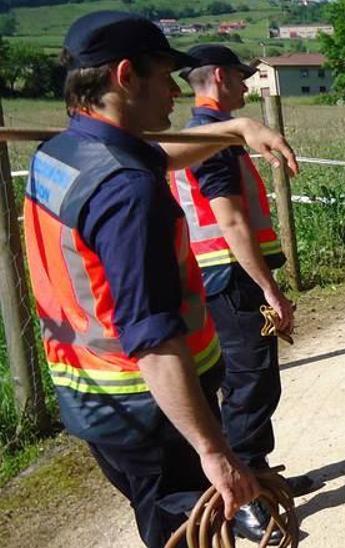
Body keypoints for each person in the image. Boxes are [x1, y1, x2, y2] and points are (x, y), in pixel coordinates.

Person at [23, 12, 297, 548]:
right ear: (126, 76)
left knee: (160, 523)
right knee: (185, 534)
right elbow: (153, 338)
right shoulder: (127, 191)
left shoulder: (63, 154)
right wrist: (214, 449)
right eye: (165, 76)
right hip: (152, 410)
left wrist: (236, 129)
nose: (176, 95)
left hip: (91, 396)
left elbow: (159, 155)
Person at [168, 44, 315, 542]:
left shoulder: (205, 133)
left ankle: (257, 474)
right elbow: (229, 219)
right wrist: (270, 289)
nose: (247, 84)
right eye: (240, 75)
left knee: (252, 383)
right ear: (216, 77)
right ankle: (245, 499)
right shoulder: (215, 138)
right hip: (229, 278)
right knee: (251, 386)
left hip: (225, 278)